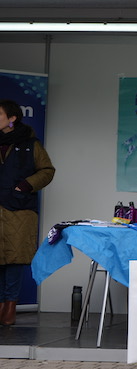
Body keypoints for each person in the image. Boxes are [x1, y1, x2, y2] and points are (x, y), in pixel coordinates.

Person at [0, 99, 56, 326]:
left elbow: (47, 170)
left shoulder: (30, 143)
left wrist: (25, 185)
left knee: (14, 259)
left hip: (19, 210)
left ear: (12, 118)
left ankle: (9, 307)